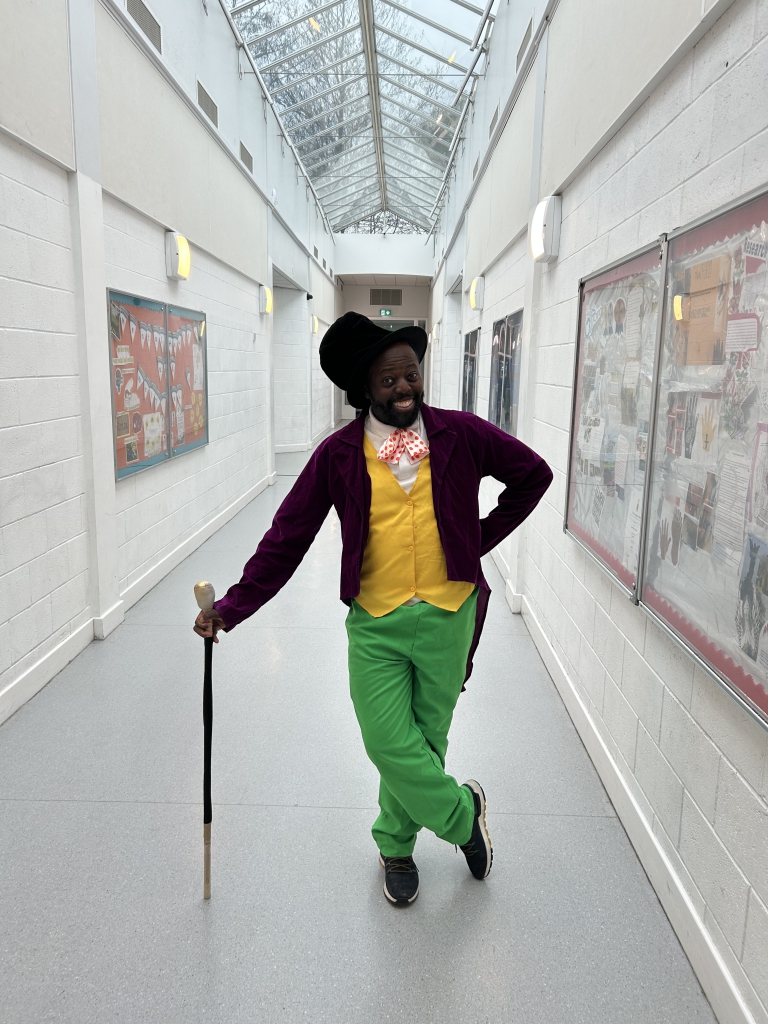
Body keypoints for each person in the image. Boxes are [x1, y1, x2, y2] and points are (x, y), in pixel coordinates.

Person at [194, 312, 552, 906]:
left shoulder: (461, 433)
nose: (405, 388)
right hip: (376, 623)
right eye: (389, 381)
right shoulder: (337, 455)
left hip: (450, 614)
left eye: (411, 374)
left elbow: (533, 476)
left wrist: (475, 540)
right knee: (387, 740)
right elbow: (287, 537)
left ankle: (395, 846)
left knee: (426, 742)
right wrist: (231, 608)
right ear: (365, 390)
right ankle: (464, 815)